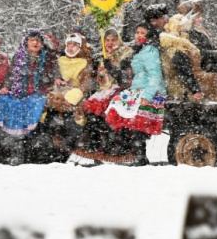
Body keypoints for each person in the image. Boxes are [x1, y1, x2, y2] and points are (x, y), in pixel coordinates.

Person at [103, 23, 168, 164]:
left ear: (148, 35)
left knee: (136, 115)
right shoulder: (140, 49)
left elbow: (155, 75)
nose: (138, 35)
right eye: (137, 32)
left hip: (149, 90)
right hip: (138, 87)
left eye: (142, 33)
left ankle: (139, 154)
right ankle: (126, 148)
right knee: (116, 104)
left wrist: (147, 96)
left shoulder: (151, 51)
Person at [0, 29, 57, 138]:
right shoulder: (18, 57)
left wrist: (56, 79)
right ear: (26, 42)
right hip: (19, 91)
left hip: (39, 92)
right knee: (3, 100)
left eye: (38, 40)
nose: (35, 43)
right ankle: (6, 134)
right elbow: (10, 74)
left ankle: (30, 132)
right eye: (32, 40)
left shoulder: (48, 58)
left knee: (35, 103)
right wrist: (6, 87)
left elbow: (55, 72)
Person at [46, 31, 94, 135]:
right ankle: (52, 135)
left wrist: (73, 96)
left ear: (81, 47)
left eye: (76, 44)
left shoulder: (85, 63)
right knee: (49, 105)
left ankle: (73, 138)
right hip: (59, 91)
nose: (71, 47)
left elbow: (86, 84)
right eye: (69, 43)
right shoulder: (60, 60)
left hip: (77, 94)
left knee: (74, 111)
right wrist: (57, 79)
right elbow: (54, 74)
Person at [84, 27, 133, 118]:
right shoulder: (102, 56)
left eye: (113, 40)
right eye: (107, 40)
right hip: (102, 91)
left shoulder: (126, 54)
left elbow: (124, 78)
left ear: (119, 40)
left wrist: (111, 68)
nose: (110, 43)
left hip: (119, 92)